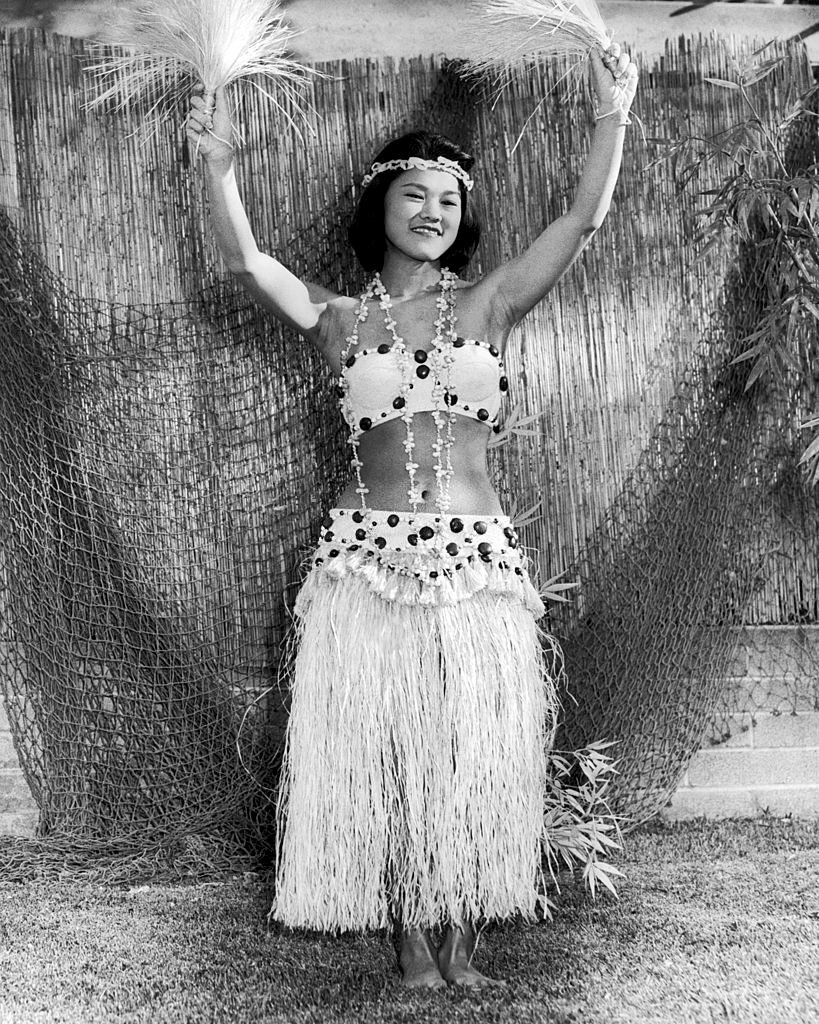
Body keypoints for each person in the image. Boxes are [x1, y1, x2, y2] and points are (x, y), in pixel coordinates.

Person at [187, 43, 638, 989]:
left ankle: (461, 932)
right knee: (385, 745)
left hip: (477, 559)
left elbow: (582, 219)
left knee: (472, 746)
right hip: (366, 559)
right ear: (379, 209)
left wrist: (612, 114)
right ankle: (403, 934)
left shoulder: (492, 302)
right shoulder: (340, 321)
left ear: (462, 214)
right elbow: (246, 260)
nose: (433, 212)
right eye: (413, 196)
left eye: (448, 198)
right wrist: (217, 167)